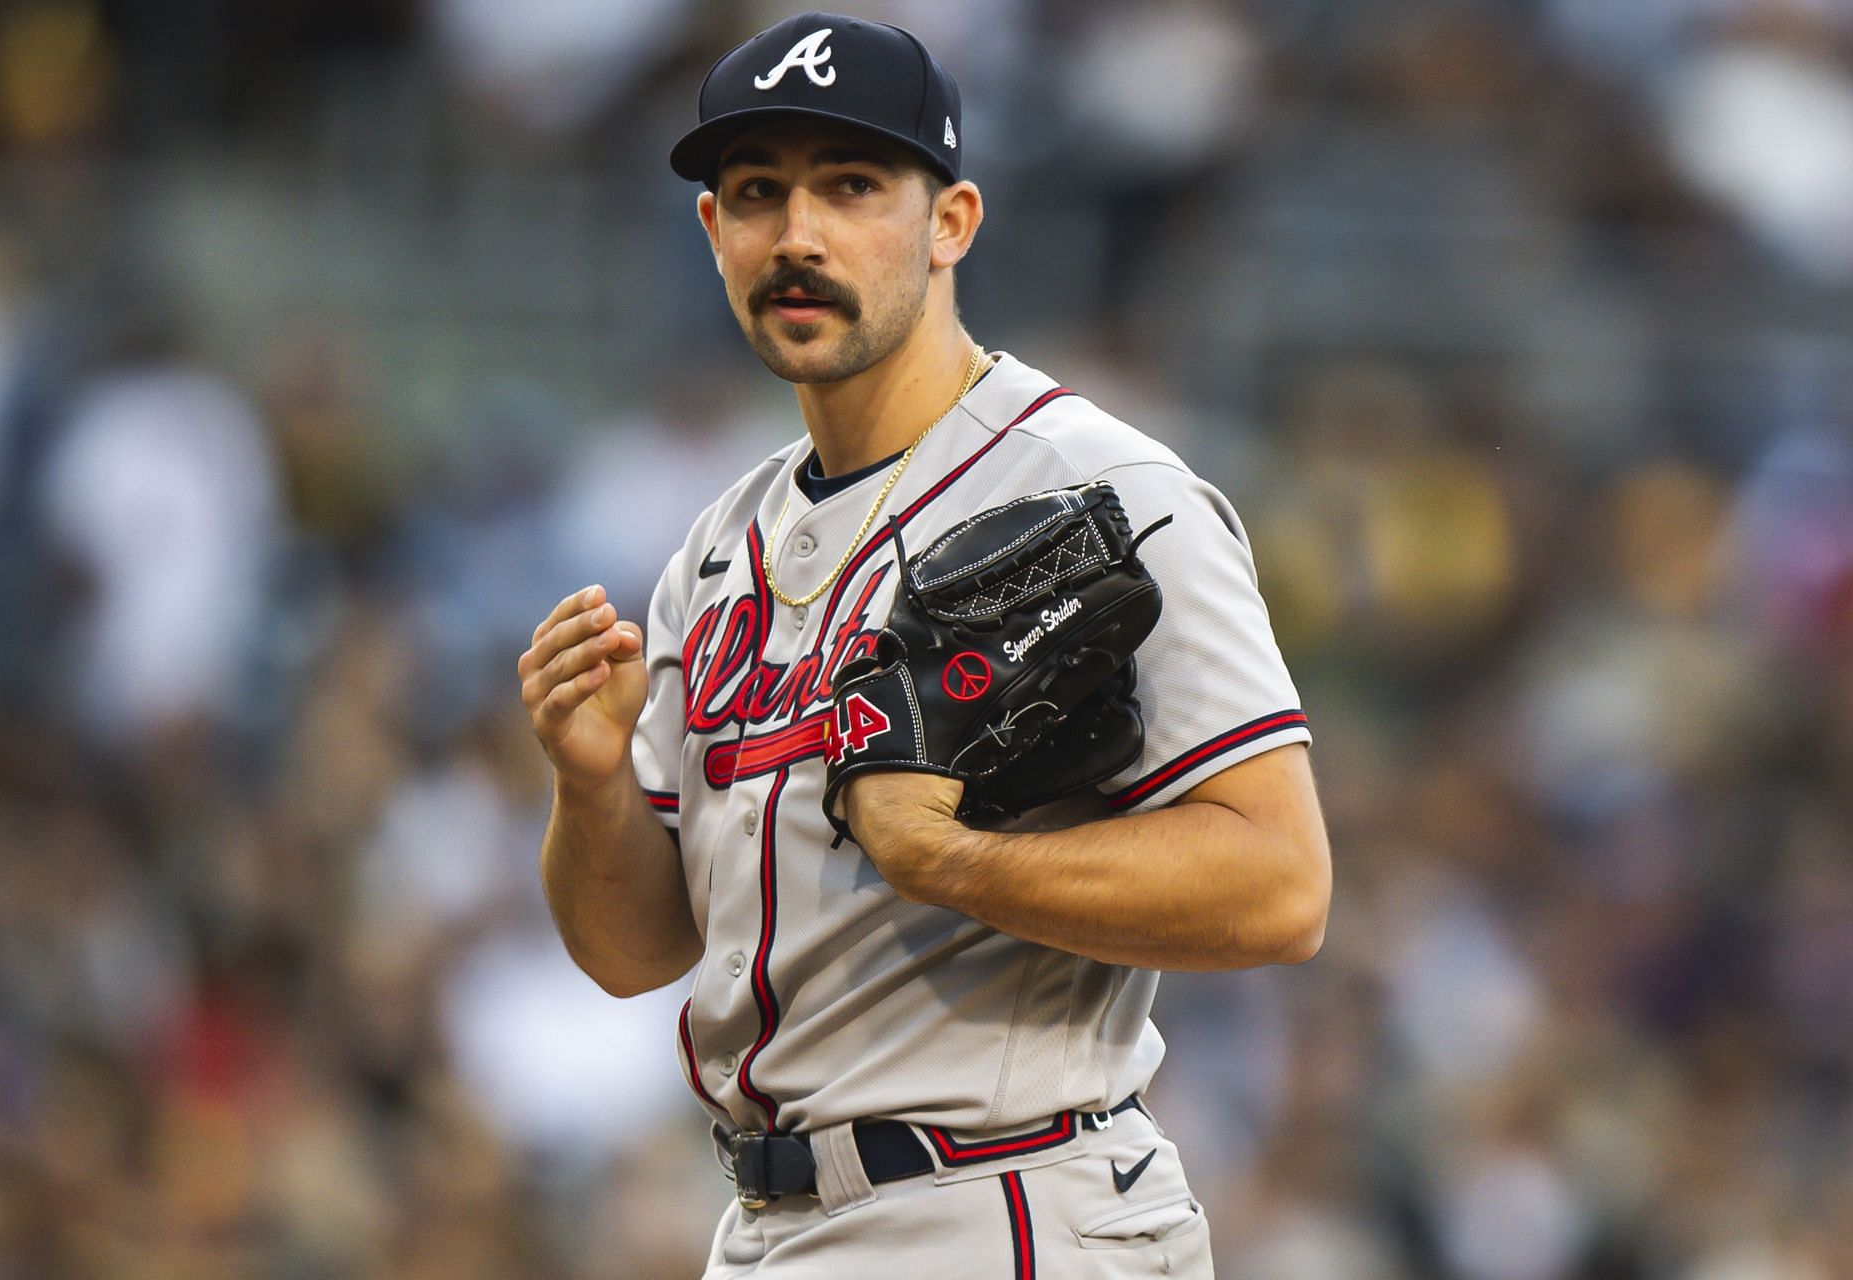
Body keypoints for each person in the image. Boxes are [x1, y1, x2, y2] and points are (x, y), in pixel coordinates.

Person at [516, 12, 1330, 1277]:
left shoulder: (1098, 490)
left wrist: (950, 859)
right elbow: (637, 952)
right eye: (756, 193)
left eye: (852, 186)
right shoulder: (719, 545)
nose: (798, 235)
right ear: (712, 234)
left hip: (1005, 1202)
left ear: (951, 221)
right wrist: (588, 780)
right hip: (767, 1225)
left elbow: (1282, 884)